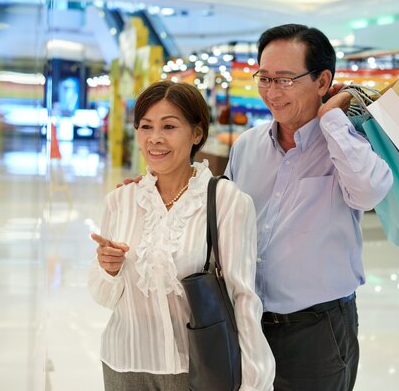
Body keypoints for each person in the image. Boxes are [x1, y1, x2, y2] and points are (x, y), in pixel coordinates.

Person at [224, 24, 394, 391]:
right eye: (264, 78)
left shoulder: (350, 145)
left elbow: (368, 194)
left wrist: (331, 118)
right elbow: (220, 219)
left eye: (285, 80)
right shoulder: (247, 146)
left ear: (322, 81)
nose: (271, 91)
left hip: (317, 330)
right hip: (246, 322)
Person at [88, 81, 274, 390]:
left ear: (197, 133)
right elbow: (103, 296)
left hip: (198, 368)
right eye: (145, 127)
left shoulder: (226, 201)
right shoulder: (120, 201)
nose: (155, 139)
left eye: (169, 126)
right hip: (124, 363)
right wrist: (108, 270)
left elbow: (242, 297)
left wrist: (254, 380)